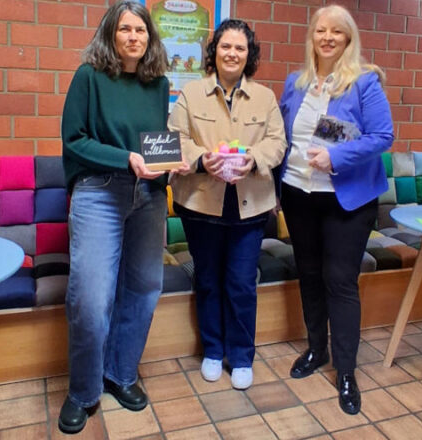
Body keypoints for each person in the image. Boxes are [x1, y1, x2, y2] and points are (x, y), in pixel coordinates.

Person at [59, 1, 186, 434]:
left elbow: (153, 145)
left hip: (148, 194)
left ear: (150, 38)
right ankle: (83, 392)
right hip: (99, 193)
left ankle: (120, 373)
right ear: (110, 34)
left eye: (141, 31)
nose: (134, 37)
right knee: (90, 300)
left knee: (145, 289)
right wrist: (125, 158)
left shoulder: (158, 83)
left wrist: (172, 162)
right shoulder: (89, 77)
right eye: (125, 29)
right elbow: (73, 140)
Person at [278, 5, 393, 415]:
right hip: (297, 193)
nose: (327, 38)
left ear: (348, 39)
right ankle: (316, 350)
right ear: (312, 36)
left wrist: (337, 157)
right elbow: (280, 132)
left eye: (336, 32)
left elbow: (383, 135)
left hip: (347, 199)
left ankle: (346, 371)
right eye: (320, 31)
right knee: (308, 274)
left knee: (340, 280)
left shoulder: (364, 83)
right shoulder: (296, 83)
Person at [168, 19, 286, 390]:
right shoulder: (190, 94)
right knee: (207, 280)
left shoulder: (265, 97)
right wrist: (203, 160)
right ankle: (213, 351)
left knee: (240, 283)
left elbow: (278, 143)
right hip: (201, 203)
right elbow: (175, 139)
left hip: (249, 207)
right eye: (225, 46)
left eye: (240, 48)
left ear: (249, 55)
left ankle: (241, 355)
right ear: (214, 51)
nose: (232, 53)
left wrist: (253, 159)